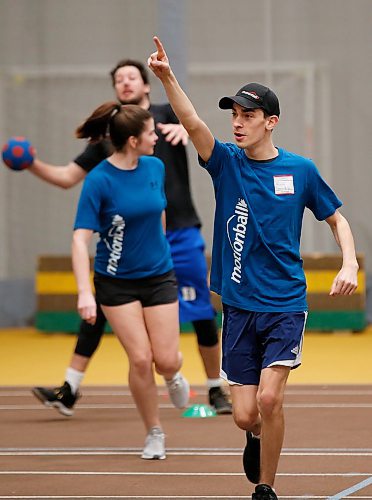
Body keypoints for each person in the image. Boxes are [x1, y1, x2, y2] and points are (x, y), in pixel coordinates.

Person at [148, 36, 359, 499]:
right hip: (240, 307)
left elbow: (337, 219)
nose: (238, 123)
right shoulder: (225, 163)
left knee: (269, 398)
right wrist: (166, 78)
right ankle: (254, 435)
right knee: (245, 414)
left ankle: (266, 487)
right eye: (235, 115)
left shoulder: (300, 171)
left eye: (248, 116)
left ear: (271, 122)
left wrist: (349, 263)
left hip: (285, 304)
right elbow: (193, 122)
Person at [31, 59, 232, 416]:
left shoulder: (166, 116)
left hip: (178, 232)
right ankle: (71, 388)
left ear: (146, 85)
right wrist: (31, 164)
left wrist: (188, 132)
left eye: (131, 77)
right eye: (118, 79)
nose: (124, 83)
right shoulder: (108, 139)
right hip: (126, 244)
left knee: (199, 308)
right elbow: (66, 177)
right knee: (100, 311)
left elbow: (195, 126)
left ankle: (215, 387)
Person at [71, 100, 189, 460]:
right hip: (116, 282)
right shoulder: (99, 181)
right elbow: (80, 238)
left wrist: (161, 252)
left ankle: (173, 376)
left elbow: (160, 212)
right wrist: (84, 293)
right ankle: (154, 431)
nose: (157, 136)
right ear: (134, 140)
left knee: (166, 360)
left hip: (158, 276)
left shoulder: (153, 166)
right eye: (151, 132)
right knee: (140, 360)